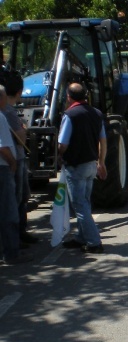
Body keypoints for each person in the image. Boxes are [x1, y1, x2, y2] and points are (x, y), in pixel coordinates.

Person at [58, 83, 107, 254]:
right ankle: (81, 238)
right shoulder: (97, 114)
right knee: (85, 202)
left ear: (69, 97)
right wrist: (101, 162)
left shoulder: (70, 115)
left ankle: (94, 242)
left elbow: (63, 144)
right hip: (91, 165)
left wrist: (58, 153)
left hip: (76, 165)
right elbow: (103, 140)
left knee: (79, 206)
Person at [2, 71, 38, 246]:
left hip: (14, 159)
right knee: (18, 198)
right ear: (19, 92)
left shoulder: (7, 111)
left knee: (20, 197)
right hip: (16, 159)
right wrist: (24, 128)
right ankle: (16, 236)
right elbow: (21, 138)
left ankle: (20, 233)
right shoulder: (9, 112)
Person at [0, 85, 32, 264]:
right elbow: (3, 146)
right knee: (9, 212)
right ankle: (12, 253)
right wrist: (12, 161)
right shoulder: (2, 116)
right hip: (3, 168)